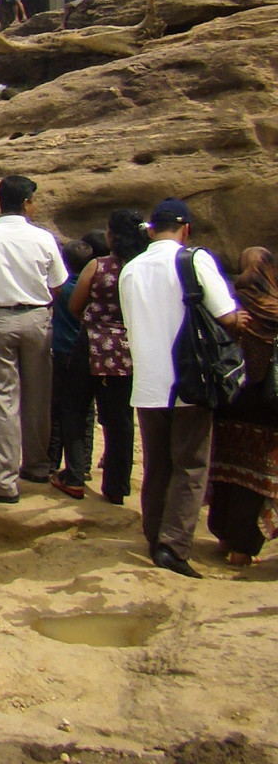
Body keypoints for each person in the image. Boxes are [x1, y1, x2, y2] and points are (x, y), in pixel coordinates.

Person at [118, 198, 244, 578]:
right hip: (191, 380)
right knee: (190, 465)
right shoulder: (194, 260)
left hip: (148, 384)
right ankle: (173, 545)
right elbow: (226, 314)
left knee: (157, 464)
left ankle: (154, 534)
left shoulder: (131, 269)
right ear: (186, 228)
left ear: (152, 230)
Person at [0, 175, 68, 504]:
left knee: (1, 400)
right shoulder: (43, 238)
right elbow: (59, 285)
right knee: (38, 395)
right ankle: (37, 465)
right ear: (26, 203)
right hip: (37, 318)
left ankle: (3, 479)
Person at [68, 210, 148, 505]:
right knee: (120, 420)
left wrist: (95, 322)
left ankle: (75, 474)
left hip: (92, 342)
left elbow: (76, 305)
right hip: (128, 348)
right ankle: (116, 486)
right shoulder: (142, 268)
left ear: (111, 237)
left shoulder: (99, 266)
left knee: (76, 410)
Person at [207, 248, 278, 565]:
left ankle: (223, 537)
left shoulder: (228, 307)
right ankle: (242, 548)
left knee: (226, 470)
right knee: (257, 477)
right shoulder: (276, 311)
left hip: (229, 401)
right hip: (267, 407)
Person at [47, 239, 97, 498]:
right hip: (89, 354)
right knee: (87, 411)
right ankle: (84, 464)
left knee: (58, 409)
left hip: (62, 352)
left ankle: (53, 461)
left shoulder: (61, 288)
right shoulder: (93, 287)